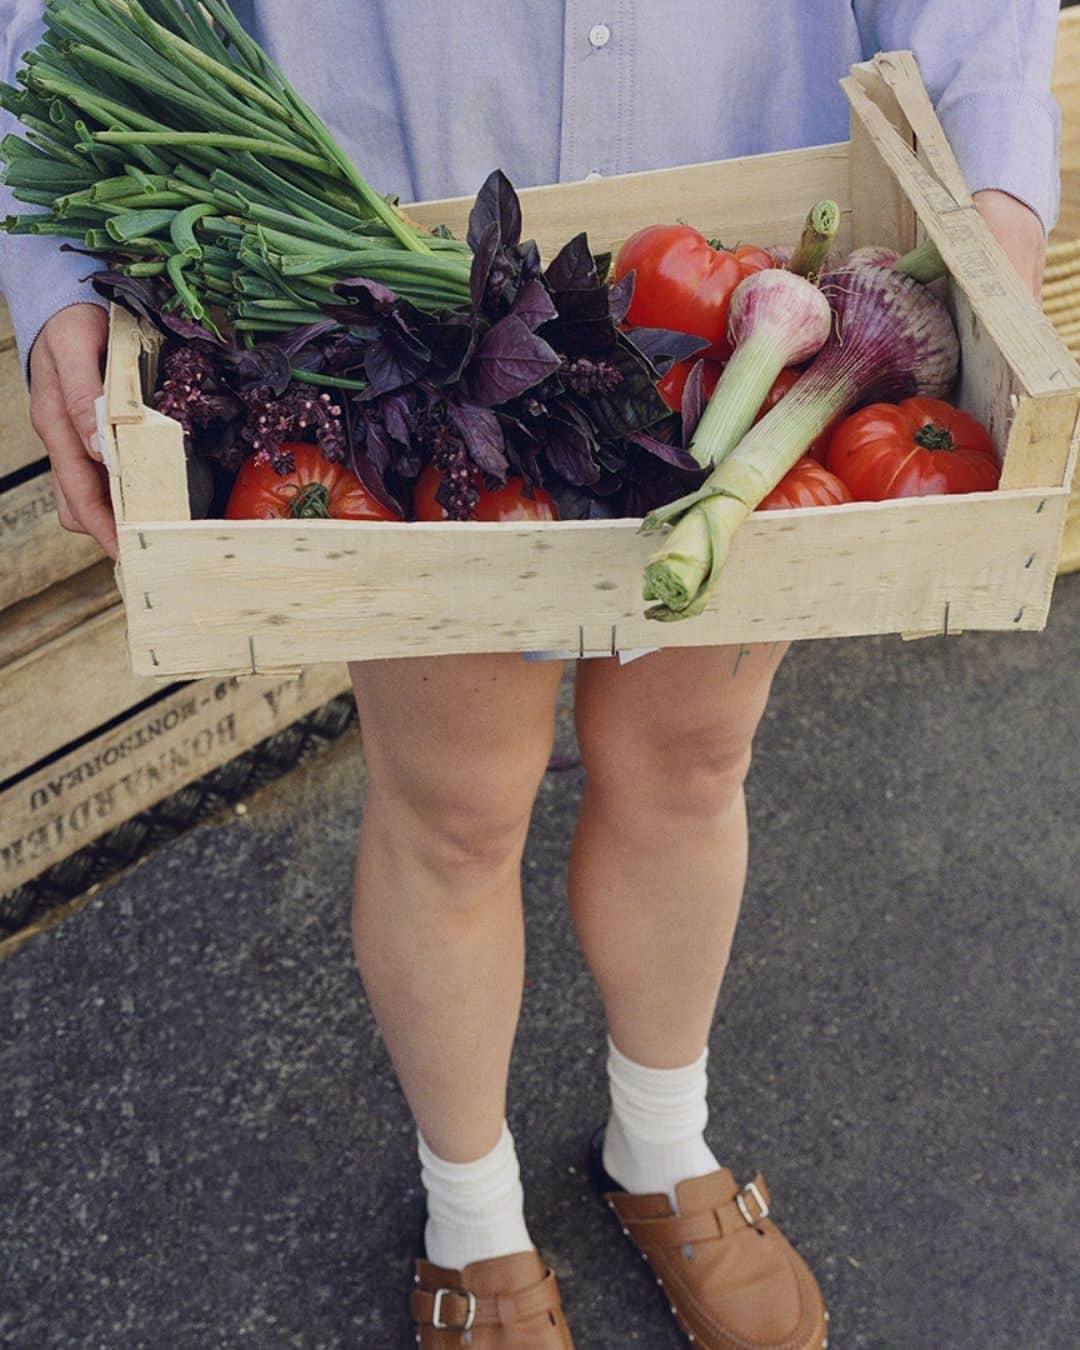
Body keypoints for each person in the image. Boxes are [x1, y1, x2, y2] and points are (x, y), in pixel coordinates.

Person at [1, 3, 1058, 1346]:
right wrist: (58, 277)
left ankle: (662, 1141)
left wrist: (996, 199)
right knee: (455, 800)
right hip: (388, 282)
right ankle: (473, 1208)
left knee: (689, 758)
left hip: (727, 269)